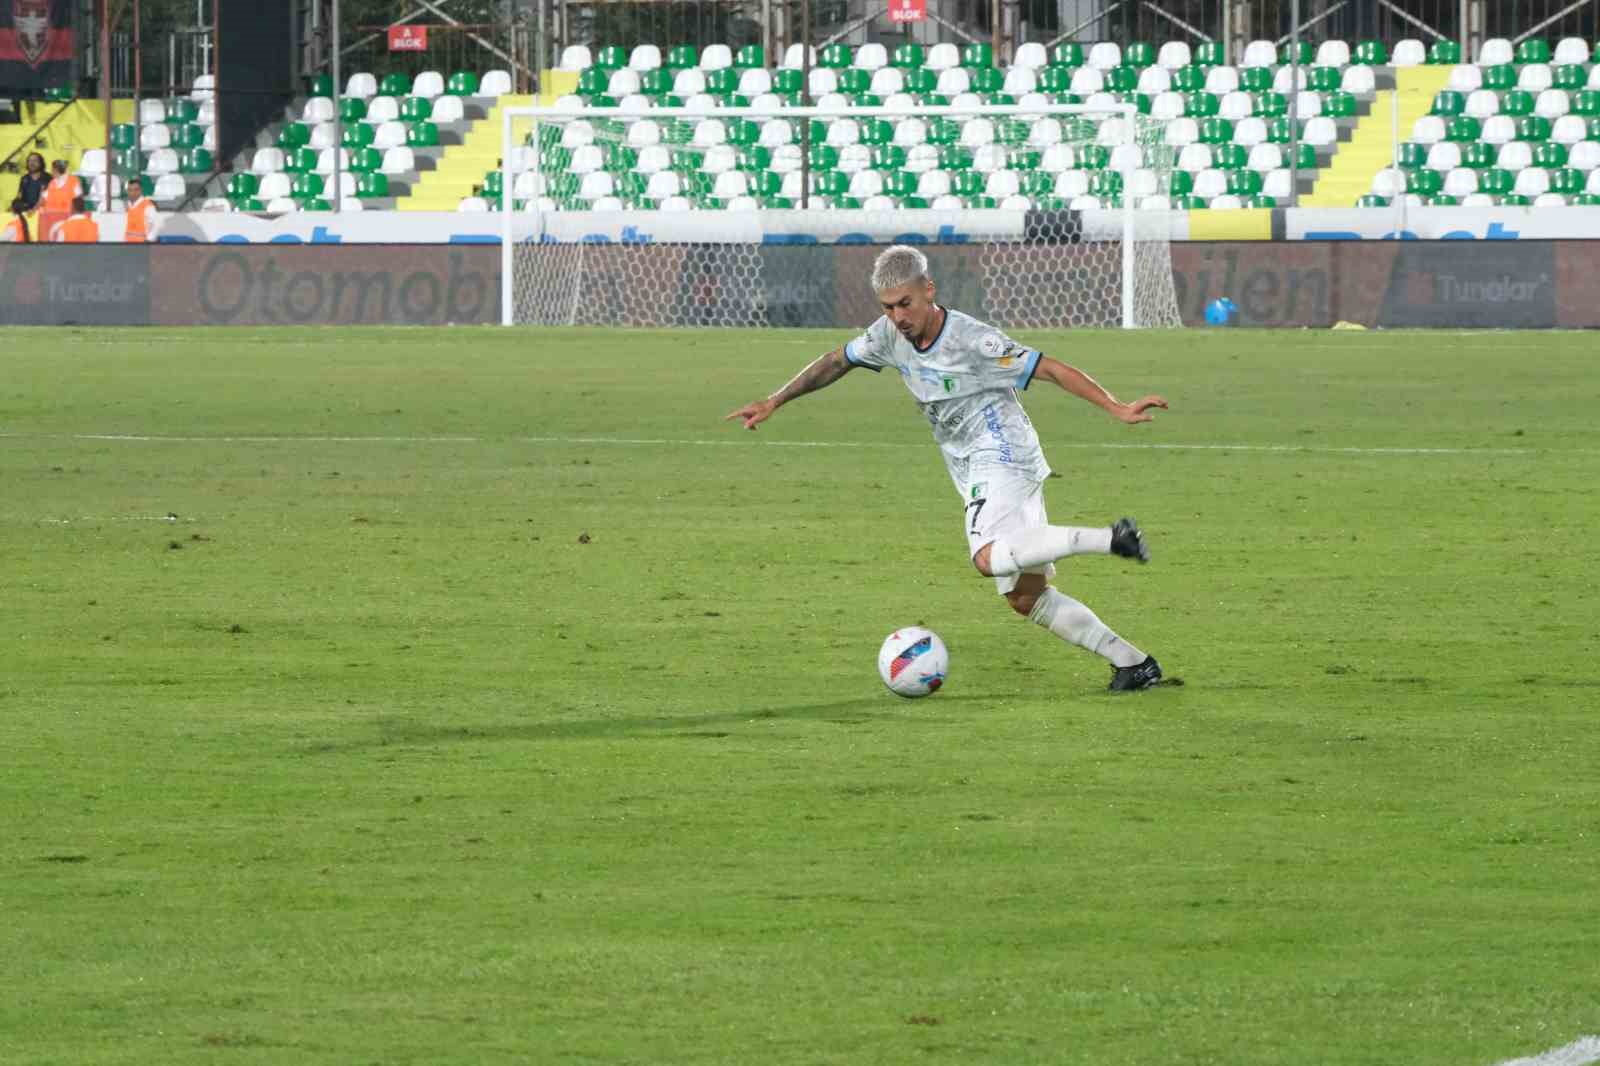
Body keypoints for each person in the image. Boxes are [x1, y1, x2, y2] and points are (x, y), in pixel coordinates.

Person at [725, 245, 1169, 692]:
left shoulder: (973, 340)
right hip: (973, 463)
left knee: (985, 557)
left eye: (905, 304)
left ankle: (1111, 538)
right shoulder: (887, 335)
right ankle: (1134, 664)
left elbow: (1048, 368)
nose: (898, 316)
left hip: (1002, 453)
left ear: (928, 291)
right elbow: (837, 361)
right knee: (1024, 596)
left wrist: (1116, 407)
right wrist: (774, 400)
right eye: (888, 307)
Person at [38, 158, 82, 242]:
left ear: (56, 170)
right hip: (51, 220)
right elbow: (43, 199)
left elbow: (78, 198)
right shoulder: (52, 183)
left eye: (52, 169)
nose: (51, 171)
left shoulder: (73, 181)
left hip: (66, 219)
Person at [123, 177, 159, 243]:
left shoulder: (148, 205)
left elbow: (155, 225)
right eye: (130, 190)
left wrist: (148, 241)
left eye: (136, 190)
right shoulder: (129, 205)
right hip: (128, 244)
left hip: (143, 244)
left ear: (140, 190)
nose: (133, 192)